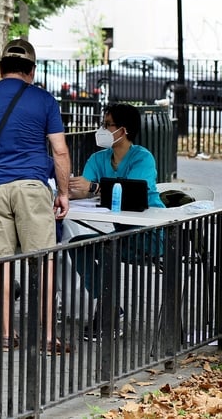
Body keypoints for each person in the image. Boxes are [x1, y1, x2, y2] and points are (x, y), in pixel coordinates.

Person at [0, 38, 71, 353]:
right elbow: (60, 151)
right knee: (44, 260)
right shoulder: (44, 100)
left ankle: (7, 335)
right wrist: (63, 192)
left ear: (0, 68)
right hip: (32, 188)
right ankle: (48, 337)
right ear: (32, 70)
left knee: (1, 262)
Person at [67, 103, 165, 341]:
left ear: (124, 129)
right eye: (103, 124)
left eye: (108, 124)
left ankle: (107, 315)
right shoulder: (98, 158)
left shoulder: (143, 158)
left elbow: (133, 191)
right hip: (122, 236)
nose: (102, 129)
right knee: (79, 246)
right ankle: (110, 306)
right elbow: (83, 188)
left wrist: (94, 187)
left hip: (151, 234)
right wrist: (69, 189)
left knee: (106, 247)